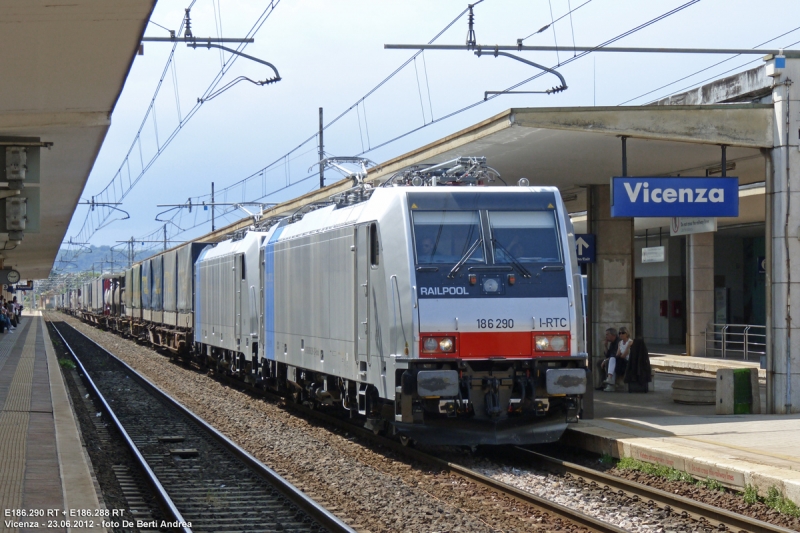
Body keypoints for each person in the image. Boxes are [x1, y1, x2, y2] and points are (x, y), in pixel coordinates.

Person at [603, 326, 632, 392]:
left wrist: (606, 360)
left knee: (611, 360)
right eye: (620, 333)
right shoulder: (620, 343)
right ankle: (609, 381)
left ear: (627, 333)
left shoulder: (630, 342)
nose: (621, 335)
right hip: (619, 360)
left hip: (627, 361)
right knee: (611, 360)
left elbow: (624, 355)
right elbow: (611, 354)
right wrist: (605, 346)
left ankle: (610, 382)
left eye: (623, 333)